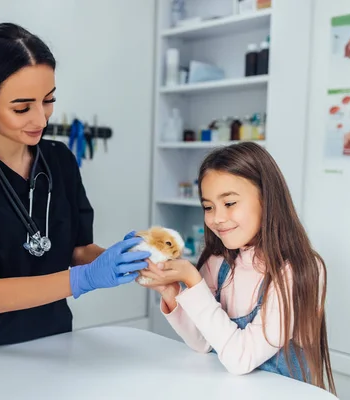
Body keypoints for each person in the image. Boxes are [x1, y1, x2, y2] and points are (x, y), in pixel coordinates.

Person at [0, 22, 150, 358]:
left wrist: (122, 259)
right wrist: (83, 279)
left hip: (52, 345)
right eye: (22, 107)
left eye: (49, 100)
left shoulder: (60, 160)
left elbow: (76, 249)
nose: (41, 119)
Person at [136, 142, 336, 395]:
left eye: (229, 203)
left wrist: (194, 283)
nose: (216, 218)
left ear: (267, 199)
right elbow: (202, 342)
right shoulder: (217, 262)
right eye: (208, 207)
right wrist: (170, 291)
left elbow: (241, 358)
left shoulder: (296, 270)